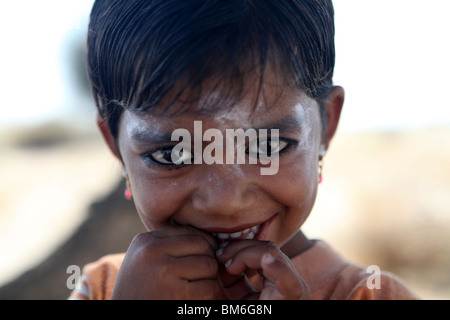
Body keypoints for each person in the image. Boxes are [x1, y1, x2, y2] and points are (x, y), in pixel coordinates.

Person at [69, 0, 420, 300]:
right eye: (173, 154)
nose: (225, 200)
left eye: (268, 146)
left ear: (326, 125)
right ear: (114, 143)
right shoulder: (103, 289)